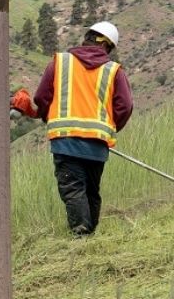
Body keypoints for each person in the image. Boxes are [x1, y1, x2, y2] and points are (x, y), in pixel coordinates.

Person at [12, 20, 134, 235]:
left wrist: (47, 114)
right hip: (97, 146)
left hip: (66, 142)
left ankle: (82, 235)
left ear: (86, 37)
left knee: (74, 189)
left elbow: (41, 97)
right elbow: (125, 106)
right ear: (108, 46)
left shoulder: (60, 62)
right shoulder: (114, 71)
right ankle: (89, 235)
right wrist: (109, 128)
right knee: (91, 192)